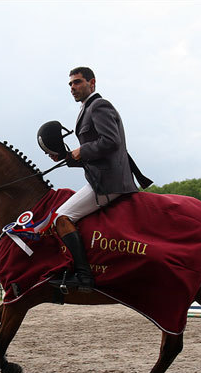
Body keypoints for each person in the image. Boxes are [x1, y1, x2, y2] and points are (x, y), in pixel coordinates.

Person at [44, 66, 152, 291]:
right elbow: (95, 152)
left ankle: (84, 277)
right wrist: (66, 157)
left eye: (78, 82)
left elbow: (111, 142)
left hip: (109, 182)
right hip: (101, 176)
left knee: (61, 218)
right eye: (71, 84)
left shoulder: (99, 106)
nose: (73, 87)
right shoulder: (87, 109)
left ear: (92, 83)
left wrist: (81, 151)